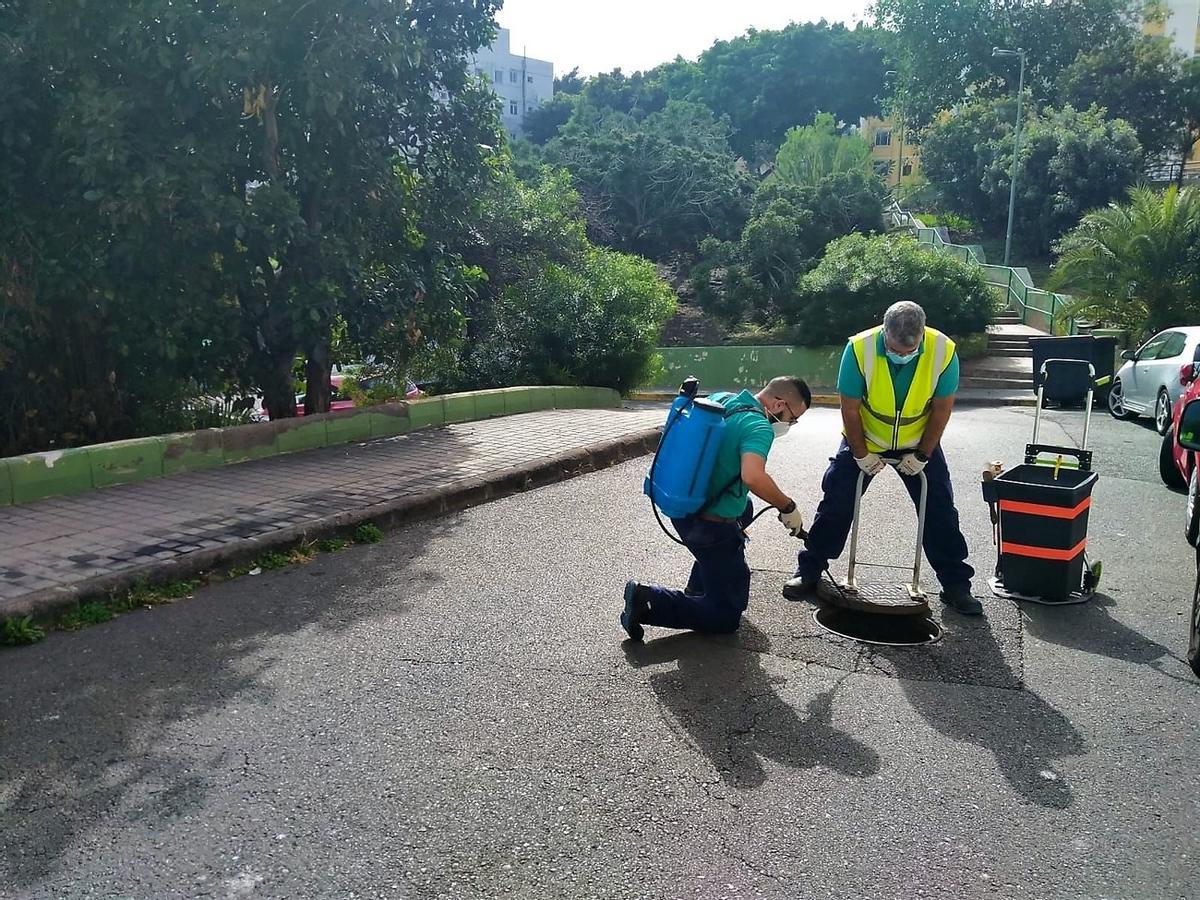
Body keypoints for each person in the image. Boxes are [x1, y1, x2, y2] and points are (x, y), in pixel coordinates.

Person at [782, 301, 980, 615]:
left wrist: (923, 454)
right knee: (837, 499)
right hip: (867, 438)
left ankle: (956, 585)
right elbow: (849, 408)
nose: (902, 355)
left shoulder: (944, 351)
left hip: (917, 440)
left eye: (910, 349)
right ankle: (809, 570)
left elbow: (942, 409)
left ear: (922, 336)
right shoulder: (859, 350)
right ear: (884, 333)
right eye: (895, 349)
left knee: (939, 507)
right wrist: (860, 454)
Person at [622, 376, 812, 641]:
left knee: (744, 507)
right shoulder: (758, 426)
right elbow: (753, 477)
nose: (788, 425)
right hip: (709, 524)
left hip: (683, 505)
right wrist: (787, 506)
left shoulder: (723, 398)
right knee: (725, 616)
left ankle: (699, 586)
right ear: (779, 404)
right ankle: (648, 600)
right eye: (792, 418)